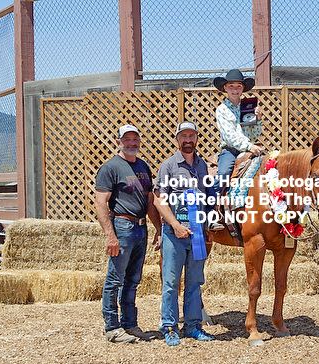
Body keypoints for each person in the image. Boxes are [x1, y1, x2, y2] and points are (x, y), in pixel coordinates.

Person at [95, 124, 162, 343]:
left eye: (135, 139)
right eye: (127, 140)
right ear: (118, 142)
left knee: (133, 280)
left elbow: (150, 201)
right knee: (115, 279)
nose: (132, 143)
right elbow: (100, 202)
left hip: (141, 228)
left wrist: (158, 228)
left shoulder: (143, 166)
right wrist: (110, 235)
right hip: (122, 226)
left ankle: (130, 324)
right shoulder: (110, 168)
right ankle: (112, 328)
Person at [153, 121, 216, 346]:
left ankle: (192, 326)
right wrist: (175, 225)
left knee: (195, 282)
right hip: (174, 234)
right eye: (183, 136)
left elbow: (207, 199)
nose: (188, 140)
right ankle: (169, 327)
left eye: (191, 136)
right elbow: (159, 200)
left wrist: (207, 227)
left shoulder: (202, 166)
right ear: (177, 139)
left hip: (197, 234)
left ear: (197, 138)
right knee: (171, 283)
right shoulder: (168, 166)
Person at [213, 68, 264, 185]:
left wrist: (258, 120)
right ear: (225, 88)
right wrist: (249, 146)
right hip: (230, 151)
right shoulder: (222, 109)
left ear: (243, 88)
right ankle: (212, 196)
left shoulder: (248, 107)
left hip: (249, 149)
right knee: (223, 175)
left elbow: (254, 135)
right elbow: (229, 136)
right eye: (231, 86)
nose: (235, 90)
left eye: (239, 86)